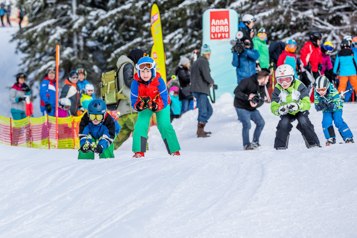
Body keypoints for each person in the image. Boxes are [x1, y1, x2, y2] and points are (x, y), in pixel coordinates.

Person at [130, 56, 181, 158]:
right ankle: (139, 151)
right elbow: (134, 101)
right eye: (142, 72)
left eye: (148, 71)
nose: (145, 74)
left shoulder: (159, 81)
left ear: (152, 71)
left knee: (164, 124)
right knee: (141, 124)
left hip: (162, 103)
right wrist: (139, 105)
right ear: (139, 72)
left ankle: (174, 150)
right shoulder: (135, 83)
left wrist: (156, 105)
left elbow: (164, 98)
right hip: (146, 104)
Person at [271, 64, 320, 150]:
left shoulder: (299, 86)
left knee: (303, 121)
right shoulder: (277, 89)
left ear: (293, 78)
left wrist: (298, 106)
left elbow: (307, 103)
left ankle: (313, 143)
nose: (284, 83)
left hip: (299, 109)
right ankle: (280, 146)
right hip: (286, 111)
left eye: (287, 79)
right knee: (283, 123)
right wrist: (279, 110)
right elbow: (274, 105)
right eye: (280, 80)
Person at [112, 48, 145, 150]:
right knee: (140, 130)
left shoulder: (123, 65)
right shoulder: (128, 65)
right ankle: (144, 153)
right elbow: (128, 81)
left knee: (123, 133)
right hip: (130, 106)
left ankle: (107, 149)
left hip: (124, 106)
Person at [234, 69, 270, 150]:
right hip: (241, 106)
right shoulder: (247, 81)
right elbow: (236, 92)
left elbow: (261, 100)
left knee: (261, 123)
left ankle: (255, 142)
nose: (268, 81)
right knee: (247, 124)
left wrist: (256, 104)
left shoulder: (263, 86)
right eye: (267, 79)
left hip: (251, 108)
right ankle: (246, 145)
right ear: (263, 77)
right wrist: (247, 97)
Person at [314, 75, 354, 145]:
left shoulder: (333, 90)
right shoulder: (316, 93)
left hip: (337, 108)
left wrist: (333, 105)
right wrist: (321, 105)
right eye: (318, 90)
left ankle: (348, 137)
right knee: (326, 122)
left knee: (338, 121)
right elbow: (316, 105)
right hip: (326, 110)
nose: (320, 92)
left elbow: (338, 102)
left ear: (327, 87)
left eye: (323, 89)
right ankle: (330, 138)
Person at [191, 44, 215, 137]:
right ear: (205, 53)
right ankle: (200, 131)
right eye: (208, 53)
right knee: (204, 110)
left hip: (198, 89)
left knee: (208, 110)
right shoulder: (203, 62)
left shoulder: (197, 61)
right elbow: (206, 75)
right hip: (201, 89)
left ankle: (201, 128)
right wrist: (211, 81)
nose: (209, 55)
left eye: (209, 53)